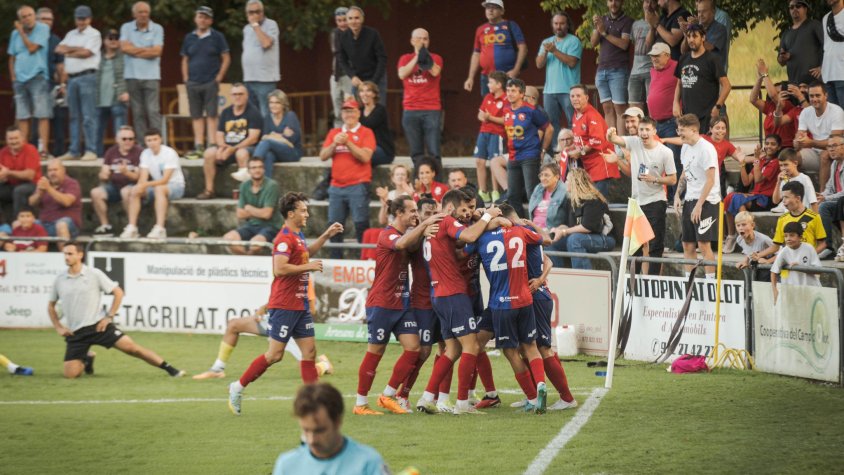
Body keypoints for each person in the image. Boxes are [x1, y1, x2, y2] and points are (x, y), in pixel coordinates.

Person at [227, 193, 344, 415]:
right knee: (274, 355)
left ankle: (313, 404)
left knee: (309, 352)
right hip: (284, 305)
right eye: (303, 210)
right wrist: (307, 267)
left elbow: (305, 254)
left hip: (299, 305)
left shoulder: (298, 235)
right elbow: (279, 269)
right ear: (291, 214)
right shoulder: (283, 238)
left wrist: (326, 235)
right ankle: (237, 387)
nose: (307, 213)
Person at [414, 190, 504, 415]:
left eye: (470, 209)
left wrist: (482, 218)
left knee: (452, 348)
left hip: (439, 296)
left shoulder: (435, 226)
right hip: (453, 294)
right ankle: (463, 403)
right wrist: (487, 216)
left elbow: (462, 245)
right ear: (451, 208)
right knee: (471, 345)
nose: (467, 214)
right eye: (464, 209)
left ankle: (427, 397)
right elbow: (470, 237)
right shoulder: (446, 221)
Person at [354, 196, 442, 415]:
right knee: (376, 352)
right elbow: (401, 244)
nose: (415, 214)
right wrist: (424, 225)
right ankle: (360, 403)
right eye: (412, 211)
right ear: (400, 214)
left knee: (415, 349)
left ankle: (388, 395)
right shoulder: (388, 235)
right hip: (382, 304)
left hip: (402, 304)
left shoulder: (406, 236)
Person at [48, 241, 185, 378]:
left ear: (80, 255)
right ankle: (87, 358)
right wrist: (58, 327)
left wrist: (109, 317)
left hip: (98, 327)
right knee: (70, 375)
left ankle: (171, 369)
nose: (67, 257)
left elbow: (118, 292)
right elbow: (51, 306)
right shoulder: (60, 279)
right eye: (65, 254)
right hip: (75, 333)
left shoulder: (94, 274)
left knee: (132, 349)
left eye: (70, 254)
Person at [466, 204, 548, 414]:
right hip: (524, 299)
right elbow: (541, 239)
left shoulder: (481, 237)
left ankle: (531, 398)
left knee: (510, 351)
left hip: (501, 303)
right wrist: (519, 224)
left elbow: (465, 247)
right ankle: (540, 385)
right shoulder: (520, 231)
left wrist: (485, 223)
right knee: (530, 347)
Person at [499, 204, 577, 411]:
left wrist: (540, 281)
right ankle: (533, 396)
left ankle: (567, 398)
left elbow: (547, 253)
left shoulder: (518, 233)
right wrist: (542, 277)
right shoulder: (528, 231)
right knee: (525, 347)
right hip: (530, 295)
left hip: (536, 297)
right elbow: (548, 260)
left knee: (542, 348)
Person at [606, 117, 677, 274]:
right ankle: (634, 283)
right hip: (637, 203)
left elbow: (673, 179)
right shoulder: (634, 142)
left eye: (647, 129)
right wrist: (610, 134)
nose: (644, 133)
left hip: (656, 201)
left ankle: (652, 282)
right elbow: (614, 139)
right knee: (635, 245)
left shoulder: (665, 152)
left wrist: (655, 179)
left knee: (655, 245)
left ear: (654, 131)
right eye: (641, 130)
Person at [272, 383, 389, 475]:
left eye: (320, 430)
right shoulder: (286, 466)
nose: (311, 440)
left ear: (338, 421)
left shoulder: (368, 463)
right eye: (306, 430)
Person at [193, 304, 332, 379]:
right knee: (234, 325)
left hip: (290, 325)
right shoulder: (283, 265)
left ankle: (324, 365)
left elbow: (310, 306)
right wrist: (265, 309)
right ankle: (217, 369)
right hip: (275, 320)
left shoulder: (300, 273)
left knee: (308, 368)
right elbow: (280, 297)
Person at [319, 98, 375, 259]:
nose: (348, 114)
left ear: (358, 113)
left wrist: (348, 142)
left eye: (351, 111)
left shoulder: (366, 132)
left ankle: (364, 260)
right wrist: (333, 145)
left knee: (360, 224)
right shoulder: (334, 133)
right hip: (336, 186)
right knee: (334, 225)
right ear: (341, 114)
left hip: (358, 184)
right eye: (345, 111)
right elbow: (322, 156)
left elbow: (365, 157)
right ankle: (336, 260)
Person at [182, 6, 232, 162]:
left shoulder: (218, 37)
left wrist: (218, 78)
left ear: (210, 20)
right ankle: (198, 146)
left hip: (210, 81)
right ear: (195, 19)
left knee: (212, 115)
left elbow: (226, 58)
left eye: (206, 17)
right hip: (193, 82)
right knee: (196, 115)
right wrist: (186, 78)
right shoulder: (189, 37)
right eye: (200, 17)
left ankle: (212, 144)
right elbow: (185, 59)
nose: (202, 20)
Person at [672, 114, 719, 278]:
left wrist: (699, 205)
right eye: (678, 130)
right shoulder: (685, 146)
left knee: (704, 245)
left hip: (707, 201)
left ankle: (711, 285)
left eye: (682, 130)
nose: (679, 133)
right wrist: (678, 195)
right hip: (690, 199)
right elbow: (685, 172)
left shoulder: (706, 149)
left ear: (693, 130)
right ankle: (689, 284)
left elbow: (711, 180)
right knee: (687, 245)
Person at [119, 129, 185, 239]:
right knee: (132, 190)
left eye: (155, 139)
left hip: (175, 186)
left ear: (161, 140)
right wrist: (139, 187)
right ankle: (132, 227)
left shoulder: (169, 153)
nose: (152, 143)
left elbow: (165, 180)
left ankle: (160, 228)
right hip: (156, 185)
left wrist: (144, 185)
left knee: (159, 189)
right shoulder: (145, 154)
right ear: (145, 142)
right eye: (149, 140)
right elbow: (143, 177)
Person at [198, 84, 262, 198]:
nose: (237, 97)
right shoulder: (226, 112)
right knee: (209, 153)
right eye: (234, 94)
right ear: (231, 96)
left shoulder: (253, 112)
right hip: (227, 147)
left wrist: (232, 149)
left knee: (241, 153)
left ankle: (246, 193)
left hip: (247, 148)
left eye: (240, 94)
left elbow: (253, 138)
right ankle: (209, 190)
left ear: (247, 96)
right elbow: (219, 134)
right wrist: (222, 147)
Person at [55, 5, 101, 162]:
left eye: (84, 18)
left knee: (88, 116)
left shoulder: (95, 34)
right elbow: (59, 49)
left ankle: (91, 150)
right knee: (74, 116)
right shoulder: (70, 34)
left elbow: (86, 53)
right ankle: (74, 150)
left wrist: (69, 50)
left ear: (89, 19)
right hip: (71, 78)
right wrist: (76, 50)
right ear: (75, 19)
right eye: (79, 18)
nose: (81, 21)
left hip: (88, 76)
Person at [722, 136, 782, 253]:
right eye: (767, 143)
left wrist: (756, 159)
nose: (769, 146)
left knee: (735, 198)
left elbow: (758, 179)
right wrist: (742, 163)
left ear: (779, 147)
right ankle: (734, 236)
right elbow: (746, 181)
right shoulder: (762, 160)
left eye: (773, 144)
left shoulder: (775, 163)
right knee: (731, 199)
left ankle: (739, 236)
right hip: (755, 196)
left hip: (766, 199)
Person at [549, 168, 616, 270]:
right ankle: (559, 275)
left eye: (567, 180)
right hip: (582, 237)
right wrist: (557, 230)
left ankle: (583, 280)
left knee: (575, 239)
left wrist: (564, 231)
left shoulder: (594, 199)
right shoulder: (572, 200)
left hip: (604, 238)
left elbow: (587, 227)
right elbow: (568, 226)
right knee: (549, 241)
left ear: (575, 183)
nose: (565, 182)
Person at [504, 78, 553, 217]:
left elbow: (549, 129)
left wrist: (543, 150)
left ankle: (536, 223)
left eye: (513, 91)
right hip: (513, 156)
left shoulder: (531, 110)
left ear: (521, 93)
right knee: (512, 194)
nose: (510, 94)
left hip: (529, 155)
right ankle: (519, 226)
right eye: (508, 90)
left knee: (532, 192)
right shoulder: (506, 109)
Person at [8, 5, 51, 158]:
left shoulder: (42, 29)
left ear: (35, 16)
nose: (27, 19)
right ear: (20, 19)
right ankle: (23, 150)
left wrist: (21, 32)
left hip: (37, 77)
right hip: (19, 80)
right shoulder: (14, 34)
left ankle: (43, 149)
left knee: (42, 114)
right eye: (24, 17)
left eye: (30, 15)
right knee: (22, 116)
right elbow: (12, 57)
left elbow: (32, 48)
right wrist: (13, 78)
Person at [673, 23, 730, 135]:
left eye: (695, 36)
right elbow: (679, 84)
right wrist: (675, 103)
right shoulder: (683, 58)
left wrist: (717, 107)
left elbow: (727, 86)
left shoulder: (712, 59)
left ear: (703, 37)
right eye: (688, 36)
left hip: (706, 116)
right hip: (687, 116)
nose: (691, 40)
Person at [120, 1, 164, 139]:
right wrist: (147, 49)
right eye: (140, 12)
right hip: (132, 76)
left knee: (153, 111)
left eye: (146, 12)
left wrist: (135, 50)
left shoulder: (157, 28)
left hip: (151, 76)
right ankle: (141, 144)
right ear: (134, 14)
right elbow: (124, 48)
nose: (144, 15)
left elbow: (157, 52)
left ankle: (157, 143)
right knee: (137, 112)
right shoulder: (126, 27)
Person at [398, 28, 443, 164]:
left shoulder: (436, 58)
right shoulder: (405, 58)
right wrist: (417, 57)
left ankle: (438, 183)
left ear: (429, 41)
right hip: (410, 109)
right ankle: (419, 183)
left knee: (434, 151)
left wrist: (425, 55)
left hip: (431, 109)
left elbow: (435, 72)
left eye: (425, 39)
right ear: (412, 41)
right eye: (418, 38)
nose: (422, 41)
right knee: (416, 152)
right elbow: (402, 74)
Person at [464, 0, 527, 96]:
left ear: (502, 11)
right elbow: (476, 53)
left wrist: (516, 70)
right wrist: (470, 77)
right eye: (488, 7)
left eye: (494, 7)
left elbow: (522, 48)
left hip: (507, 75)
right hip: (487, 76)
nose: (490, 10)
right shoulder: (480, 29)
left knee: (510, 107)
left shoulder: (510, 25)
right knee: (488, 107)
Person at [537, 11, 582, 139]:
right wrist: (545, 52)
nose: (558, 26)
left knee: (573, 122)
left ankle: (575, 150)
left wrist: (554, 51)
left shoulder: (574, 41)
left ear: (567, 25)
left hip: (569, 90)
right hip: (549, 91)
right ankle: (556, 152)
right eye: (556, 23)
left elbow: (572, 62)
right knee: (551, 124)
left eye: (562, 23)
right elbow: (539, 64)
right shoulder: (547, 42)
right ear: (552, 25)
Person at [222, 157, 281, 255]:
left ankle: (249, 263)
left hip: (271, 226)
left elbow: (267, 214)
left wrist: (249, 208)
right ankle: (246, 260)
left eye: (260, 167)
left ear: (264, 169)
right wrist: (259, 212)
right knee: (228, 238)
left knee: (256, 243)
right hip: (251, 225)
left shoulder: (272, 185)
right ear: (248, 171)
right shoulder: (244, 186)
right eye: (253, 168)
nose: (257, 170)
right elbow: (240, 214)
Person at [590, 0, 633, 132]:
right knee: (607, 109)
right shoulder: (602, 20)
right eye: (610, 1)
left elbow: (624, 44)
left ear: (622, 3)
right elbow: (593, 43)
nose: (613, 3)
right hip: (601, 70)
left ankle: (621, 146)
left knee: (620, 109)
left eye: (617, 1)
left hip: (618, 70)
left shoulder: (628, 21)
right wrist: (598, 28)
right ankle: (613, 145)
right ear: (607, 3)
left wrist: (604, 33)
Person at [569, 84, 618, 197]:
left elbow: (596, 140)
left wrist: (579, 152)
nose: (575, 99)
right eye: (572, 96)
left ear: (586, 97)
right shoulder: (576, 114)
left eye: (578, 96)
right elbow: (580, 139)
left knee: (599, 203)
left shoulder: (592, 115)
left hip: (601, 164)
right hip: (588, 165)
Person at [90, 126, 141, 235]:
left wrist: (126, 172)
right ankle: (105, 226)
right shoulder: (111, 151)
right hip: (114, 186)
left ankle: (132, 226)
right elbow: (103, 173)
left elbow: (138, 177)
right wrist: (103, 175)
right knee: (95, 192)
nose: (128, 141)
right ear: (117, 140)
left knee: (126, 191)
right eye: (124, 139)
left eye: (131, 139)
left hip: (132, 186)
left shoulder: (139, 152)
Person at [760, 181, 828, 262]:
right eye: (783, 198)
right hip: (788, 268)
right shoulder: (782, 219)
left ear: (798, 198)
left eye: (786, 197)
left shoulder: (814, 217)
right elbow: (776, 246)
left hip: (807, 266)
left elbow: (822, 244)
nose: (783, 201)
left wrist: (808, 256)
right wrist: (758, 255)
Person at [647, 42, 681, 197]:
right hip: (656, 123)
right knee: (657, 160)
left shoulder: (676, 67)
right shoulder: (653, 70)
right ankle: (664, 195)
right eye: (652, 56)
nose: (654, 59)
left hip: (670, 122)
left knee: (673, 158)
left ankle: (677, 196)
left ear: (667, 55)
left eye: (657, 55)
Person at [795, 81, 844, 190]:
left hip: (835, 151)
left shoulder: (836, 111)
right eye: (811, 96)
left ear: (826, 96)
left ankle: (822, 195)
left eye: (818, 95)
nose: (814, 99)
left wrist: (811, 142)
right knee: (793, 157)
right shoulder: (806, 112)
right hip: (815, 150)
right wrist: (798, 142)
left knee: (825, 155)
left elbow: (834, 143)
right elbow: (799, 135)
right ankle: (795, 193)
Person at [337, 6, 388, 106]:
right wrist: (352, 76)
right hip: (358, 78)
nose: (353, 21)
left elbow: (382, 58)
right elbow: (342, 59)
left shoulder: (373, 34)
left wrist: (373, 82)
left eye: (356, 18)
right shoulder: (343, 37)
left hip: (376, 76)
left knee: (378, 108)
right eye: (350, 18)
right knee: (358, 109)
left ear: (362, 19)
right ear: (347, 20)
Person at [474, 70, 509, 203]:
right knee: (479, 161)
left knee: (494, 161)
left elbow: (506, 120)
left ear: (499, 84)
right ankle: (483, 192)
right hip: (483, 132)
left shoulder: (506, 99)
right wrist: (485, 117)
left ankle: (495, 191)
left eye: (491, 82)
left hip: (497, 133)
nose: (488, 84)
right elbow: (480, 115)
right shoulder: (488, 97)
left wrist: (490, 117)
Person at [28, 159, 81, 247]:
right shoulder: (44, 183)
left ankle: (64, 258)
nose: (52, 173)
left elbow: (66, 202)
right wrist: (39, 194)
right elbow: (31, 202)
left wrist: (49, 189)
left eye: (55, 170)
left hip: (68, 225)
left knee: (61, 224)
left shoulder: (72, 183)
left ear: (63, 170)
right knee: (23, 223)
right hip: (45, 223)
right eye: (50, 170)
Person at [750, 59, 802, 149]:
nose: (774, 93)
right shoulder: (770, 107)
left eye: (778, 92)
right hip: (770, 148)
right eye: (775, 90)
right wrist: (760, 78)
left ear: (785, 94)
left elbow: (773, 95)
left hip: (785, 148)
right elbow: (753, 99)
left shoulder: (788, 106)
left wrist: (765, 74)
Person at [241, 0, 280, 118]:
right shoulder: (246, 29)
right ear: (246, 14)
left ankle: (267, 136)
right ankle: (256, 137)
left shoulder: (271, 24)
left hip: (265, 79)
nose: (254, 15)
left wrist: (255, 25)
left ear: (262, 12)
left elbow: (266, 43)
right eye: (251, 12)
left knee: (266, 113)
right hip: (249, 78)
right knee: (252, 115)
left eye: (257, 12)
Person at [37, 7, 67, 158]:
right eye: (44, 19)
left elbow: (61, 65)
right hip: (34, 84)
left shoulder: (55, 40)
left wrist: (62, 84)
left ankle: (58, 153)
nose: (47, 22)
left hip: (51, 85)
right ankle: (38, 152)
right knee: (37, 120)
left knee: (58, 119)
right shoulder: (30, 37)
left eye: (50, 19)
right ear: (37, 20)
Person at [95, 28, 128, 158]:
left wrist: (127, 91)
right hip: (99, 98)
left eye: (116, 37)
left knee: (119, 131)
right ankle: (97, 155)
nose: (114, 40)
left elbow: (130, 75)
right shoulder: (97, 56)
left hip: (118, 97)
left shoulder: (125, 56)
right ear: (104, 40)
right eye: (110, 37)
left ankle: (120, 156)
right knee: (97, 130)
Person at [529, 162, 568, 267]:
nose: (542, 178)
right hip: (535, 230)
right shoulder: (538, 189)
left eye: (546, 175)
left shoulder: (565, 191)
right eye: (541, 175)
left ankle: (558, 273)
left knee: (547, 243)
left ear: (556, 177)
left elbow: (569, 219)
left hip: (553, 231)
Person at [771, 222, 822, 303]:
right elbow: (774, 271)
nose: (788, 238)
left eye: (792, 235)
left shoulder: (809, 248)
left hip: (811, 291)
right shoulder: (783, 251)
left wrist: (801, 267)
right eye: (786, 236)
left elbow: (819, 270)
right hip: (794, 294)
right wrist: (775, 291)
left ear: (800, 237)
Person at [254, 89, 303, 172]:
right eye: (271, 102)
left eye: (277, 102)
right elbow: (264, 137)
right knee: (268, 155)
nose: (273, 105)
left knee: (268, 142)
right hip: (276, 152)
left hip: (293, 153)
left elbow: (291, 140)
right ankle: (265, 184)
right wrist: (281, 136)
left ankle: (252, 166)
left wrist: (272, 136)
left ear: (283, 104)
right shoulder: (267, 118)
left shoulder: (290, 116)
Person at [778, 0, 823, 86]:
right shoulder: (786, 33)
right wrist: (783, 57)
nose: (794, 9)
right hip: (794, 84)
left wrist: (822, 67)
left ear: (805, 9)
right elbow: (780, 62)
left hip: (813, 83)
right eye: (791, 7)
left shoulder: (814, 25)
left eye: (798, 6)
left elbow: (827, 46)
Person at [0, 125, 41, 218]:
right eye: (10, 139)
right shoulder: (3, 152)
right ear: (6, 140)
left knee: (19, 191)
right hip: (10, 184)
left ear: (22, 138)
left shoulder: (30, 150)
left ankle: (17, 225)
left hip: (32, 185)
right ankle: (3, 226)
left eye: (16, 138)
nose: (13, 141)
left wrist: (8, 173)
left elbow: (30, 175)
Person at [679, 0, 728, 72]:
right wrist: (686, 34)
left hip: (712, 75)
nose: (700, 15)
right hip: (696, 72)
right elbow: (683, 51)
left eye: (704, 11)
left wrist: (696, 29)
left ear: (713, 12)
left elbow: (708, 47)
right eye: (699, 11)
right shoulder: (696, 28)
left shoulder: (720, 28)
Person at [816, 136, 844, 259]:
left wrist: (826, 199)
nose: (831, 150)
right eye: (829, 147)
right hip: (838, 201)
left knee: (824, 205)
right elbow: (830, 187)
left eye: (834, 146)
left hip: (841, 201)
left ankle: (829, 246)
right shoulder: (834, 164)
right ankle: (823, 245)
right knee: (817, 204)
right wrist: (822, 195)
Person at [358, 81, 394, 166]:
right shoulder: (359, 111)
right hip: (365, 148)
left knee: (357, 157)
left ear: (374, 94)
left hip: (382, 150)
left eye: (368, 91)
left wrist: (355, 114)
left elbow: (367, 125)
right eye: (362, 91)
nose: (364, 94)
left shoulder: (380, 110)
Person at [771, 147, 818, 214]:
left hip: (803, 215)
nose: (783, 168)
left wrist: (816, 220)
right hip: (788, 216)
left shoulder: (804, 179)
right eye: (781, 165)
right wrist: (778, 182)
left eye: (786, 165)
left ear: (795, 163)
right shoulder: (783, 180)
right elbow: (775, 201)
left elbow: (813, 201)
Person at [628, 0, 655, 111]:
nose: (648, 5)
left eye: (652, 2)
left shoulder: (660, 23)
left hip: (651, 71)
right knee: (634, 109)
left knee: (653, 107)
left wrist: (652, 25)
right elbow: (635, 45)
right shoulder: (636, 24)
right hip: (635, 72)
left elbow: (648, 45)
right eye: (646, 2)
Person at [734, 211, 774, 282]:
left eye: (744, 225)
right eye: (738, 225)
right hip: (757, 267)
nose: (740, 228)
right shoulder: (739, 239)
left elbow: (781, 253)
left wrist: (768, 261)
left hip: (770, 270)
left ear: (752, 225)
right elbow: (748, 251)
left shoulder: (763, 239)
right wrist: (745, 261)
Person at [330, 7, 352, 128]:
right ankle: (338, 138)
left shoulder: (354, 34)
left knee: (350, 108)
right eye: (339, 20)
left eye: (344, 20)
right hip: (336, 75)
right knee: (337, 110)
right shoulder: (335, 33)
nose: (342, 23)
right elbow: (337, 52)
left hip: (349, 76)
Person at [822, 0, 844, 108]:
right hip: (828, 74)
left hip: (842, 74)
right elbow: (827, 46)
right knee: (834, 117)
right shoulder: (826, 18)